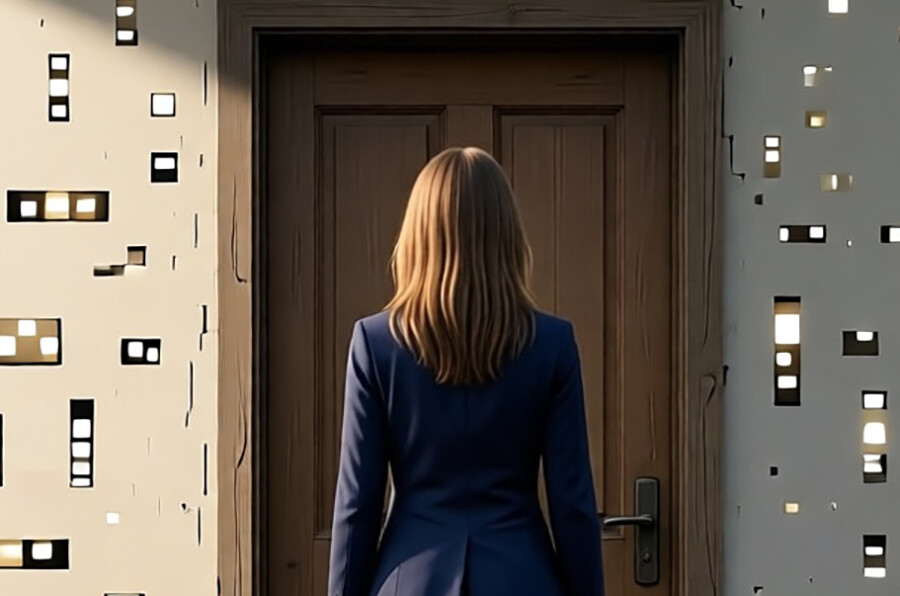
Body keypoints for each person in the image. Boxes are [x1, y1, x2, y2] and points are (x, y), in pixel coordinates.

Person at [327, 146, 605, 596]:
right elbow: (572, 504)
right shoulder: (551, 344)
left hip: (410, 580)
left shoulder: (375, 344)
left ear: (418, 234)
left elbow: (357, 507)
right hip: (523, 579)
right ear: (506, 235)